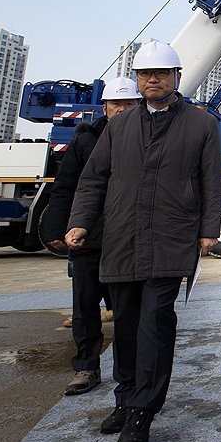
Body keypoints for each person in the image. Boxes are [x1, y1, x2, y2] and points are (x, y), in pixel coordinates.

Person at [65, 40, 221, 442]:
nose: (152, 80)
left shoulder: (201, 125)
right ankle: (126, 397)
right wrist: (80, 221)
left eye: (161, 73)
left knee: (155, 323)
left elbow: (211, 181)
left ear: (176, 77)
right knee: (128, 325)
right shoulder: (119, 126)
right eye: (144, 74)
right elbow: (94, 178)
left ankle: (142, 412)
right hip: (120, 239)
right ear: (137, 81)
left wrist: (208, 229)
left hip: (171, 238)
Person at [41, 77, 141, 396]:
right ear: (105, 107)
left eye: (129, 104)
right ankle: (86, 366)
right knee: (85, 307)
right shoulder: (86, 142)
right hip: (89, 238)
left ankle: (129, 373)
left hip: (129, 239)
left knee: (128, 311)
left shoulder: (148, 139)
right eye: (116, 104)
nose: (122, 110)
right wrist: (56, 228)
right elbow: (65, 186)